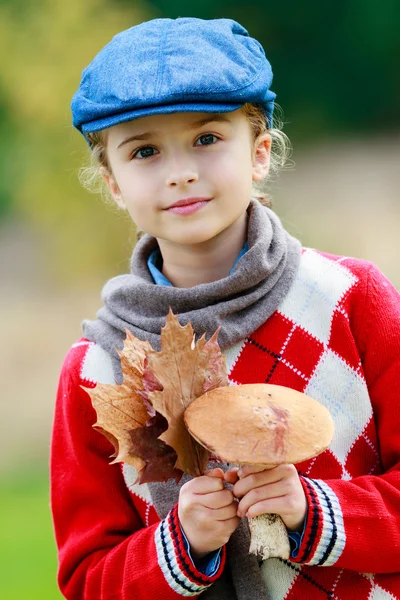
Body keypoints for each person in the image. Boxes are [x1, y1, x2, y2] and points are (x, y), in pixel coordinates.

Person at [50, 16, 400, 600]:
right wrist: (180, 542)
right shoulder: (97, 371)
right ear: (113, 184)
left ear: (260, 152)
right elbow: (88, 580)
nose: (180, 171)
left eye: (207, 139)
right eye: (144, 151)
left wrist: (315, 511)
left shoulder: (349, 299)